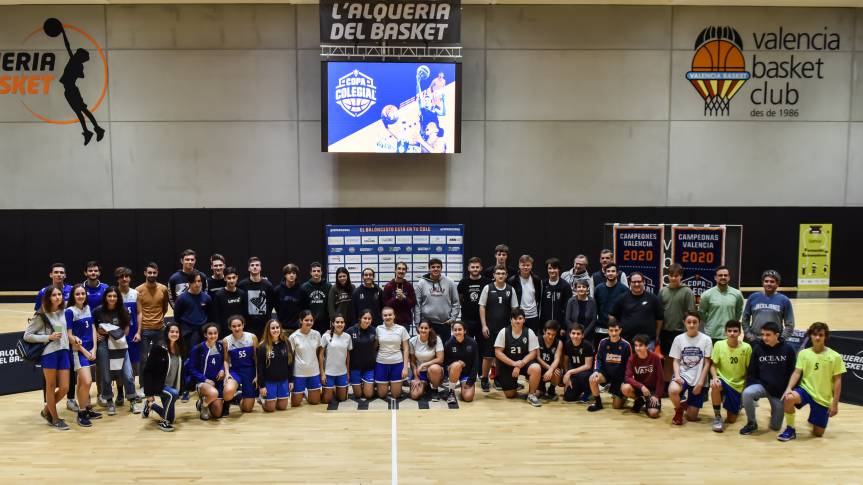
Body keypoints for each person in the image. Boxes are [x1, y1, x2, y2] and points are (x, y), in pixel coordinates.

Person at [778, 322, 847, 442]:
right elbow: (796, 373)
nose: (817, 337)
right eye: (815, 334)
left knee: (818, 434)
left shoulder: (835, 357)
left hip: (823, 398)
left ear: (825, 337)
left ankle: (814, 419)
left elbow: (838, 381)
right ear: (810, 336)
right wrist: (789, 388)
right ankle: (790, 429)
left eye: (821, 335)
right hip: (806, 390)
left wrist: (835, 403)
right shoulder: (804, 353)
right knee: (788, 398)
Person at [25, 286, 71, 430]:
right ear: (48, 298)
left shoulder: (64, 311)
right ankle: (55, 418)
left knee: (64, 388)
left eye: (60, 294)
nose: (58, 297)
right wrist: (48, 337)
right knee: (50, 386)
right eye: (54, 295)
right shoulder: (41, 315)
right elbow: (27, 335)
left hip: (64, 351)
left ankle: (46, 411)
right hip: (49, 353)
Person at [740, 321, 796, 435]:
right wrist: (752, 386)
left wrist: (789, 390)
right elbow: (751, 372)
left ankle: (774, 412)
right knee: (747, 393)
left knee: (775, 427)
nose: (764, 337)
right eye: (763, 334)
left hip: (779, 391)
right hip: (762, 386)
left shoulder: (788, 349)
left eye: (768, 335)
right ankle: (751, 423)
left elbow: (793, 372)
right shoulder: (758, 349)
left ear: (777, 335)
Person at [93, 286, 139, 415]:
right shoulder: (97, 311)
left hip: (120, 344)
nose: (112, 298)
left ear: (118, 298)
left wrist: (114, 333)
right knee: (106, 377)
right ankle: (109, 402)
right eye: (109, 296)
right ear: (105, 297)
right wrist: (97, 333)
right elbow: (94, 328)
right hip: (104, 345)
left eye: (114, 296)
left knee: (128, 375)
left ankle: (132, 401)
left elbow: (126, 330)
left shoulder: (123, 311)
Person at [668, 312, 713, 425]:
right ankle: (679, 410)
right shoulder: (678, 339)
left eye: (694, 322)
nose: (692, 325)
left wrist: (700, 383)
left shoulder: (707, 339)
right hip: (683, 375)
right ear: (684, 323)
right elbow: (676, 360)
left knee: (692, 417)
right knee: (673, 390)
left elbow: (707, 363)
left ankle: (685, 403)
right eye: (689, 322)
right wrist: (677, 376)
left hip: (699, 378)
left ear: (699, 323)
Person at [478, 266, 518, 392]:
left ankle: (497, 378)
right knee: (488, 356)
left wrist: (513, 327)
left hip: (505, 329)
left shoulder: (511, 289)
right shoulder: (488, 288)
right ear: (494, 275)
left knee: (501, 355)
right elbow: (482, 307)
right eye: (498, 273)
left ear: (506, 275)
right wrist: (484, 325)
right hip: (490, 328)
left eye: (503, 273)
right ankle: (484, 378)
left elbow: (514, 309)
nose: (500, 275)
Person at [65, 284, 100, 426]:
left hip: (90, 350)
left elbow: (93, 328)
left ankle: (85, 409)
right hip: (78, 352)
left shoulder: (87, 308)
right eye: (78, 294)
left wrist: (94, 349)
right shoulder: (69, 311)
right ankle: (81, 413)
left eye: (83, 294)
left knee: (81, 382)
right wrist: (84, 351)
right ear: (73, 296)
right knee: (87, 381)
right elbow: (69, 335)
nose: (81, 296)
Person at [709, 320, 752, 432]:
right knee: (715, 386)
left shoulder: (746, 348)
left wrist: (745, 387)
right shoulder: (719, 345)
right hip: (722, 379)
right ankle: (718, 416)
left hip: (738, 384)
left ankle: (736, 401)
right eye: (729, 331)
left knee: (731, 420)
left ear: (740, 332)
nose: (732, 333)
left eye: (735, 331)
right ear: (725, 332)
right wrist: (714, 378)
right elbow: (713, 365)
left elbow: (749, 369)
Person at [494, 308, 542, 407]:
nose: (517, 321)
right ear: (511, 320)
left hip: (524, 363)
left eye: (520, 318)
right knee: (510, 395)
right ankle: (514, 385)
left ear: (524, 320)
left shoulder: (529, 332)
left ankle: (531, 395)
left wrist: (519, 365)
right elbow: (498, 352)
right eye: (515, 318)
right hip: (508, 364)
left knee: (536, 368)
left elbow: (533, 353)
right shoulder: (504, 332)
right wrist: (514, 364)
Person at [141, 322, 184, 432]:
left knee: (171, 418)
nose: (174, 334)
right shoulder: (159, 348)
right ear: (167, 333)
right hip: (158, 385)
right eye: (172, 331)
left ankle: (150, 406)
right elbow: (148, 371)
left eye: (177, 332)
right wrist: (149, 394)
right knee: (173, 394)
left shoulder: (180, 348)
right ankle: (164, 423)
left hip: (170, 386)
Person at [659, 264, 695, 378]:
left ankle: (681, 386)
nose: (674, 278)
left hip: (680, 332)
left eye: (676, 276)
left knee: (682, 360)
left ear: (681, 276)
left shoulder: (687, 292)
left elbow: (691, 313)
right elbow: (659, 313)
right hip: (665, 331)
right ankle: (666, 385)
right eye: (671, 275)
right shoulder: (663, 291)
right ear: (667, 276)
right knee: (667, 359)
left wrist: (688, 332)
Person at [135, 262, 169, 380]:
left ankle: (157, 381)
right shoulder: (138, 290)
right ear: (145, 273)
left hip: (160, 328)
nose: (152, 274)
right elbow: (138, 311)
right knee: (144, 358)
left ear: (157, 273)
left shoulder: (163, 288)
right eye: (149, 272)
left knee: (159, 357)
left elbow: (164, 308)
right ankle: (144, 384)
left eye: (154, 272)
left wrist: (159, 319)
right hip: (144, 329)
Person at [609, 272, 663, 346]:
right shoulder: (622, 298)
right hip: (626, 340)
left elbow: (659, 319)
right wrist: (616, 332)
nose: (636, 284)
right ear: (629, 283)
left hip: (648, 341)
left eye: (639, 281)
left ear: (643, 282)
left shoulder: (653, 298)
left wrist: (657, 335)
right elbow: (612, 315)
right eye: (634, 282)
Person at [588, 320, 631, 412]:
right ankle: (598, 403)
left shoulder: (626, 345)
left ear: (620, 330)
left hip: (619, 378)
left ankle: (622, 396)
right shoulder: (603, 342)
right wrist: (596, 371)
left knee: (616, 406)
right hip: (606, 374)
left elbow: (630, 365)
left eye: (616, 330)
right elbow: (598, 359)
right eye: (611, 330)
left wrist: (626, 380)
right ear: (608, 331)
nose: (614, 333)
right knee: (592, 378)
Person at [414, 258, 460, 344]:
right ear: (429, 269)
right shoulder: (421, 283)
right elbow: (417, 304)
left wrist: (453, 318)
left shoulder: (450, 282)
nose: (435, 269)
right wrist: (417, 323)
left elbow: (456, 302)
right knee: (428, 351)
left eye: (438, 267)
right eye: (433, 267)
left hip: (444, 323)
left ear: (441, 268)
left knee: (444, 350)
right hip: (427, 324)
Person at [187, 323, 226, 420]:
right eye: (210, 333)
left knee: (217, 414)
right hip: (203, 382)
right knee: (213, 393)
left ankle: (206, 400)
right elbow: (191, 369)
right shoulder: (198, 349)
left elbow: (224, 361)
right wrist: (205, 379)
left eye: (215, 333)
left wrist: (222, 370)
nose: (213, 336)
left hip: (218, 382)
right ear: (205, 335)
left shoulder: (220, 346)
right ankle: (203, 406)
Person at [743, 270, 795, 342]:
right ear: (763, 283)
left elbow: (790, 324)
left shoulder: (784, 300)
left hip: (774, 341)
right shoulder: (753, 297)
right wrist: (749, 335)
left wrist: (781, 339)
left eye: (772, 281)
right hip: (754, 340)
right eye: (766, 281)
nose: (769, 284)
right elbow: (745, 319)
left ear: (777, 284)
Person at [222, 315, 259, 414]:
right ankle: (226, 403)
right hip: (235, 371)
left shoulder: (252, 337)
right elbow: (225, 360)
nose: (237, 328)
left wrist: (257, 375)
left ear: (243, 325)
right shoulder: (226, 340)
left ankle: (237, 399)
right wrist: (227, 373)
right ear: (230, 327)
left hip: (249, 372)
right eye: (234, 326)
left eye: (239, 325)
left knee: (247, 409)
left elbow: (256, 358)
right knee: (228, 390)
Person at [622, 334, 664, 418]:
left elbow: (660, 378)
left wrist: (656, 395)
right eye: (636, 345)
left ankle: (646, 400)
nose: (637, 348)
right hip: (640, 389)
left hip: (652, 390)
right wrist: (641, 386)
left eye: (640, 345)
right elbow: (628, 377)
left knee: (653, 414)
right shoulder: (632, 359)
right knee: (625, 388)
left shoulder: (655, 358)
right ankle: (640, 399)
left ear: (647, 346)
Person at [699, 266, 745, 341]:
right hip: (712, 334)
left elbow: (738, 312)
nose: (723, 277)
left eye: (725, 275)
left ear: (729, 277)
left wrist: (732, 324)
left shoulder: (737, 294)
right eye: (720, 275)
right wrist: (711, 322)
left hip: (730, 335)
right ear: (715, 278)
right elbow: (702, 312)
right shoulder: (707, 294)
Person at [257, 319, 293, 412]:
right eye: (273, 328)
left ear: (280, 329)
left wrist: (291, 380)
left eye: (277, 327)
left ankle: (274, 400)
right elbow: (260, 367)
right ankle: (263, 400)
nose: (275, 330)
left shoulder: (286, 342)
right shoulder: (262, 346)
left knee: (282, 407)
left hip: (283, 380)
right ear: (268, 330)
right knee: (270, 409)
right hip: (269, 381)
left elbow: (290, 363)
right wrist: (262, 386)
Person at [289, 310, 323, 407]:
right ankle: (301, 392)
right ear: (301, 321)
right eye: (306, 320)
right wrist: (290, 377)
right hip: (299, 373)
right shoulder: (293, 337)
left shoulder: (317, 334)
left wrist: (321, 372)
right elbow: (290, 358)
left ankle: (307, 392)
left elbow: (318, 353)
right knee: (295, 404)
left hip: (313, 372)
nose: (309, 322)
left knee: (315, 402)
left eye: (311, 320)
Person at [376, 307, 410, 400]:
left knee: (396, 395)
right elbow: (374, 347)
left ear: (394, 316)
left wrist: (405, 367)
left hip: (397, 363)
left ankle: (394, 385)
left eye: (390, 315)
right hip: (381, 363)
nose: (388, 317)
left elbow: (406, 349)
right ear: (382, 317)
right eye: (385, 315)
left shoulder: (401, 329)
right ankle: (382, 385)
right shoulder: (378, 329)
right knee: (382, 395)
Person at [174, 273, 212, 354]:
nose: (197, 284)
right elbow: (177, 316)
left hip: (202, 331)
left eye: (199, 281)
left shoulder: (207, 298)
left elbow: (209, 314)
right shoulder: (181, 298)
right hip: (188, 332)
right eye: (194, 282)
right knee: (190, 355)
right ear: (189, 283)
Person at [591, 263, 628, 347]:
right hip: (601, 329)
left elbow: (626, 310)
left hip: (618, 330)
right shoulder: (598, 288)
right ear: (605, 273)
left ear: (617, 273)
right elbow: (595, 308)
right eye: (608, 271)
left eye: (613, 271)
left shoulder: (624, 290)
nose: (610, 273)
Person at [238, 256, 274, 338]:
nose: (255, 267)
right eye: (252, 265)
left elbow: (271, 303)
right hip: (248, 325)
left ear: (260, 268)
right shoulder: (242, 285)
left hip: (264, 324)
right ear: (249, 268)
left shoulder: (268, 285)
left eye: (257, 265)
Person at [444, 321, 479, 403]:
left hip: (466, 374)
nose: (457, 332)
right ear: (452, 331)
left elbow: (476, 362)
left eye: (460, 329)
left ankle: (462, 384)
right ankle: (451, 391)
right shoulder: (449, 343)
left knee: (468, 398)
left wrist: (471, 380)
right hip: (453, 370)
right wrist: (456, 362)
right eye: (455, 330)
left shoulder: (472, 342)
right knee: (456, 365)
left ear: (465, 331)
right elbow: (445, 362)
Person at [409, 320, 445, 401]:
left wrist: (424, 365)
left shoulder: (437, 339)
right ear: (418, 328)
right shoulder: (412, 341)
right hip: (419, 372)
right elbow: (412, 362)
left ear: (430, 329)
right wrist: (416, 377)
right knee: (415, 396)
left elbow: (440, 359)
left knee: (434, 368)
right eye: (421, 328)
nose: (423, 330)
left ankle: (435, 389)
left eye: (426, 328)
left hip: (433, 371)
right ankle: (425, 385)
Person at [115, 267, 140, 382]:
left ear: (130, 278)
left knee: (134, 361)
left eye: (126, 276)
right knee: (119, 362)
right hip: (118, 333)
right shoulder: (113, 294)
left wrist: (139, 332)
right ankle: (120, 391)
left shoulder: (135, 293)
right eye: (121, 277)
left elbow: (139, 313)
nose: (124, 279)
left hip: (133, 331)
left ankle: (132, 388)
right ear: (117, 279)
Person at [508, 255, 542, 336]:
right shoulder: (512, 280)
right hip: (519, 316)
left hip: (533, 316)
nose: (525, 267)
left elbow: (539, 297)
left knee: (533, 340)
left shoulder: (536, 279)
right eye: (523, 265)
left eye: (528, 265)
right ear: (519, 265)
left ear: (531, 266)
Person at [347, 309, 377, 400]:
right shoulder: (351, 331)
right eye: (365, 318)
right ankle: (364, 386)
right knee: (358, 395)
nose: (367, 320)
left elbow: (375, 346)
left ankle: (372, 387)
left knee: (368, 395)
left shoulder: (374, 331)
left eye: (369, 318)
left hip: (369, 367)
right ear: (360, 318)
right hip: (355, 367)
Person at [321, 315, 352, 404]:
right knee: (327, 400)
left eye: (342, 322)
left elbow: (348, 356)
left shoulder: (347, 337)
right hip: (328, 373)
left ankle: (334, 389)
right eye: (337, 322)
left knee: (342, 399)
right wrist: (323, 373)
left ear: (344, 324)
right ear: (333, 323)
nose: (340, 324)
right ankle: (329, 390)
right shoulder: (326, 336)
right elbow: (320, 355)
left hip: (342, 372)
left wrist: (348, 372)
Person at [457, 257, 490, 339]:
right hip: (467, 319)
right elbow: (460, 299)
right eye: (473, 267)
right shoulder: (463, 282)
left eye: (477, 267)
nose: (475, 269)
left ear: (481, 268)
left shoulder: (487, 282)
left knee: (482, 346)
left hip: (482, 320)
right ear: (468, 268)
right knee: (467, 345)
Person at [209, 267, 247, 337]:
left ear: (237, 277)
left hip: (239, 330)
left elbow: (245, 313)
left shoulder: (242, 293)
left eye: (233, 277)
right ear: (225, 278)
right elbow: (216, 316)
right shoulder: (218, 295)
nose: (232, 280)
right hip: (225, 332)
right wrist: (219, 332)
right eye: (229, 278)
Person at [562, 324, 594, 403]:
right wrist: (566, 374)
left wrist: (570, 372)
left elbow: (588, 365)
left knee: (581, 375)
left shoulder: (587, 345)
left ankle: (589, 391)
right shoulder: (567, 344)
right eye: (573, 333)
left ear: (583, 335)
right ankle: (579, 390)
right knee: (568, 397)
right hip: (575, 374)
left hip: (588, 373)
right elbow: (565, 361)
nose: (575, 336)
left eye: (578, 334)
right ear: (569, 334)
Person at [383, 262, 417, 330]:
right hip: (391, 321)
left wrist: (404, 297)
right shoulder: (388, 286)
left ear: (406, 271)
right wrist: (396, 298)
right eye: (399, 269)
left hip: (405, 322)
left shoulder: (409, 286)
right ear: (395, 270)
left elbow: (413, 303)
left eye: (403, 269)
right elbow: (385, 305)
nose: (401, 271)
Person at [540, 258, 573, 329]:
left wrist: (563, 327)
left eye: (554, 268)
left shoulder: (565, 286)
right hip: (545, 326)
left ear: (559, 269)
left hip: (559, 327)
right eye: (549, 268)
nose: (552, 271)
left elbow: (567, 308)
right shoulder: (543, 284)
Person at [301, 262, 332, 334]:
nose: (316, 273)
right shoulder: (304, 287)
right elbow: (303, 306)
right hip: (309, 322)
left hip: (325, 322)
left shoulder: (328, 286)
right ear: (310, 273)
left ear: (321, 272)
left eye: (318, 271)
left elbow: (330, 305)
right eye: (314, 271)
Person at [536, 320, 564, 401]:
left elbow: (557, 359)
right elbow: (538, 357)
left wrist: (551, 370)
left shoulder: (559, 343)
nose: (551, 336)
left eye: (553, 334)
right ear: (544, 331)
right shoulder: (538, 339)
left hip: (552, 368)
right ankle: (541, 388)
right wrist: (549, 368)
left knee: (557, 371)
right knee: (537, 394)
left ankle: (551, 390)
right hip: (540, 368)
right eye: (548, 333)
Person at [273, 263, 304, 331]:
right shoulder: (277, 290)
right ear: (285, 275)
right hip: (281, 327)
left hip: (298, 328)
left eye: (294, 273)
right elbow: (276, 306)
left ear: (296, 275)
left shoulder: (302, 290)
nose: (291, 275)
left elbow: (304, 308)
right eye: (289, 273)